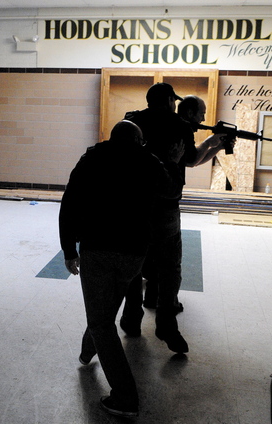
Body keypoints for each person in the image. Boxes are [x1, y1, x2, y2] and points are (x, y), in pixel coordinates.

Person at [59, 120, 184, 418]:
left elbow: (69, 203)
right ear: (139, 141)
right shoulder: (149, 161)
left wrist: (68, 249)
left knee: (101, 320)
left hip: (96, 248)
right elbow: (171, 191)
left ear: (111, 138)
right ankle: (89, 350)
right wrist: (172, 160)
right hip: (133, 253)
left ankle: (125, 398)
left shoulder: (92, 158)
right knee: (105, 308)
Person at [119, 83, 225, 354]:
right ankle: (165, 325)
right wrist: (213, 144)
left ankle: (131, 320)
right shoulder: (178, 126)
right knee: (169, 269)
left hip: (133, 208)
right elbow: (190, 159)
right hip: (164, 207)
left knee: (133, 266)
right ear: (168, 100)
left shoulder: (131, 120)